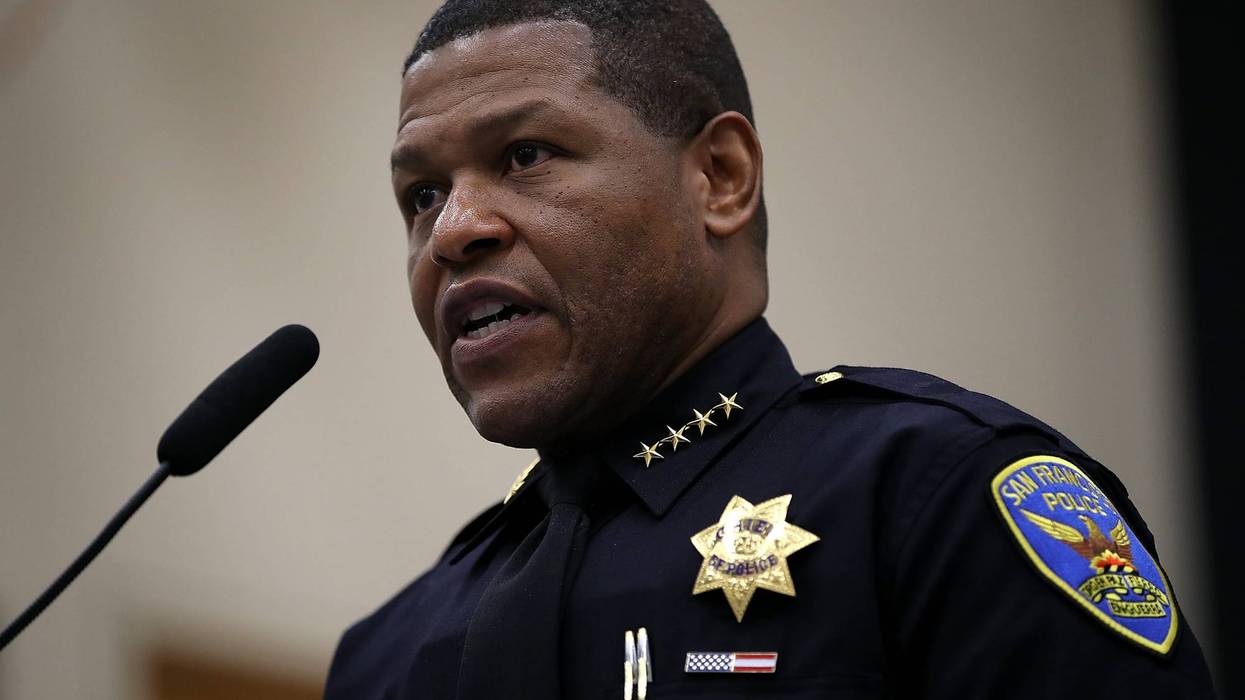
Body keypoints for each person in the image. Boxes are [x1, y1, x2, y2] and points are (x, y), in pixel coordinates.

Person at [325, 1, 1217, 697]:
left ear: (719, 177)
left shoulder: (934, 499)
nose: (454, 230)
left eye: (525, 155)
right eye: (420, 195)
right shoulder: (390, 655)